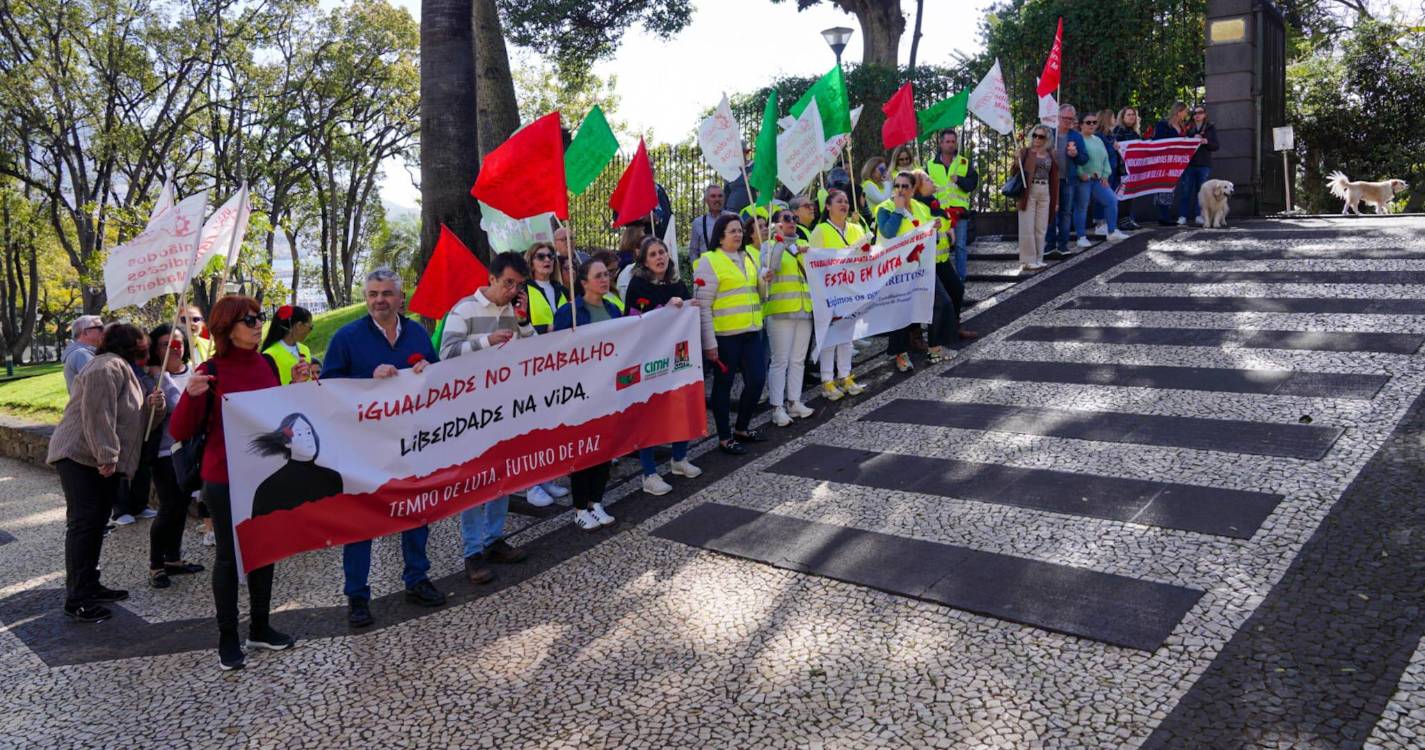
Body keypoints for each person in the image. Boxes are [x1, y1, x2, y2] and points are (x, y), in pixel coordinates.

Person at [169, 296, 297, 669]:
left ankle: (260, 627)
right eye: (249, 319)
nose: (258, 324)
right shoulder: (210, 370)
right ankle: (228, 638)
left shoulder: (267, 364)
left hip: (265, 472)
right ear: (226, 327)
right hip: (223, 477)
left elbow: (276, 417)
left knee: (264, 550)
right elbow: (179, 429)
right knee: (228, 557)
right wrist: (191, 396)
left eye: (260, 317)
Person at [322, 268, 445, 629]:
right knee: (361, 521)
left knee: (415, 511)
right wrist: (367, 381)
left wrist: (427, 368)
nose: (380, 300)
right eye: (373, 293)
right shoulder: (346, 337)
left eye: (387, 293)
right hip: (364, 445)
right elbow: (328, 386)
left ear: (400, 297)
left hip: (410, 441)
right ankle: (357, 595)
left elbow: (438, 378)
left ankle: (417, 579)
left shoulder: (417, 332)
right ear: (365, 297)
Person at [47, 323, 165, 623]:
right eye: (141, 338)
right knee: (85, 525)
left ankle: (89, 585)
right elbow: (97, 414)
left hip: (94, 459)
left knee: (94, 524)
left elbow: (134, 426)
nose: (146, 342)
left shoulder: (122, 368)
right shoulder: (105, 366)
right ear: (128, 342)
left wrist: (155, 408)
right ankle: (78, 598)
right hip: (82, 458)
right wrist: (108, 455)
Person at [439, 254, 536, 584]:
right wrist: (485, 342)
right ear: (492, 278)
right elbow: (446, 353)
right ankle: (472, 551)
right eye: (508, 283)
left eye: (519, 285)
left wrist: (522, 321)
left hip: (503, 406)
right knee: (473, 480)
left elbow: (533, 350)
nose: (513, 290)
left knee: (501, 473)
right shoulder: (464, 309)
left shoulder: (511, 311)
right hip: (469, 410)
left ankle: (494, 539)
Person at [625, 236, 704, 494]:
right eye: (653, 254)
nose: (659, 257)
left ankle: (679, 459)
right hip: (649, 360)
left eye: (662, 252)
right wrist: (665, 310)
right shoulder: (637, 286)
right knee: (651, 414)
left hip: (676, 359)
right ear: (644, 261)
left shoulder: (676, 283)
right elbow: (634, 322)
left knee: (680, 405)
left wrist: (691, 306)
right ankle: (649, 474)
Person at [553, 259, 623, 530]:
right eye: (598, 276)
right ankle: (580, 507)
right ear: (583, 283)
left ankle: (596, 501)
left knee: (605, 447)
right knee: (584, 450)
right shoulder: (569, 312)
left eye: (606, 275)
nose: (605, 280)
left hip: (608, 388)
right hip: (580, 392)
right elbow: (556, 352)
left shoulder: (613, 309)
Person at [694, 214, 767, 456]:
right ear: (720, 236)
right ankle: (725, 437)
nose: (737, 235)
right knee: (723, 388)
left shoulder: (748, 257)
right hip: (725, 337)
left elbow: (760, 294)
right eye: (731, 231)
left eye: (739, 230)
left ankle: (742, 427)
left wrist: (765, 280)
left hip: (752, 332)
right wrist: (709, 343)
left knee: (757, 380)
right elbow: (703, 307)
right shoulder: (709, 261)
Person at [145, 325, 205, 590]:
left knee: (181, 506)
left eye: (179, 341)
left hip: (193, 450)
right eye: (166, 343)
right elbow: (177, 405)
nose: (175, 347)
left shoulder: (195, 372)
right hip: (166, 452)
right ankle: (156, 564)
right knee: (169, 507)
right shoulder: (153, 379)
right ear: (155, 349)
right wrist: (161, 377)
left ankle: (174, 559)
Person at [912, 171, 976, 363]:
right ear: (918, 186)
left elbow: (945, 221)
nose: (932, 181)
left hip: (941, 258)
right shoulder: (918, 205)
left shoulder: (934, 202)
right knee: (939, 301)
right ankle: (923, 339)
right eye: (928, 179)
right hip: (926, 261)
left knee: (957, 290)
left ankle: (953, 328)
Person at [809, 190, 869, 397]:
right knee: (829, 336)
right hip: (829, 291)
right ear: (828, 207)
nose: (843, 204)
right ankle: (827, 380)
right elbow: (815, 262)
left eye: (846, 201)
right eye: (838, 201)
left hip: (851, 291)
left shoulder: (855, 228)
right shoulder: (821, 230)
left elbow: (865, 257)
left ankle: (845, 376)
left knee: (846, 337)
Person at [761, 209, 817, 425]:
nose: (792, 222)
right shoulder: (769, 246)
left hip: (803, 310)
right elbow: (772, 267)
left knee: (798, 360)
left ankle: (794, 402)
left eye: (794, 218)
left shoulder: (802, 244)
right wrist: (780, 241)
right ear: (776, 224)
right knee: (780, 361)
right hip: (780, 311)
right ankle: (777, 407)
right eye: (786, 219)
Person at [877, 172, 933, 373]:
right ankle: (899, 353)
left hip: (917, 267)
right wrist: (898, 211)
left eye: (904, 186)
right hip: (894, 270)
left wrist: (935, 226)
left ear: (912, 189)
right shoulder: (885, 208)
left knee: (913, 309)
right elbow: (888, 233)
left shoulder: (919, 207)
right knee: (899, 311)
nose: (900, 190)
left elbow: (925, 229)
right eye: (897, 186)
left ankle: (920, 344)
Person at [924, 129, 978, 281]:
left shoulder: (964, 162)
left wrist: (959, 179)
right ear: (940, 143)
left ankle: (961, 277)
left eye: (953, 141)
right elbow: (924, 187)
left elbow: (972, 184)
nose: (950, 144)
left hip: (960, 212)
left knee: (960, 245)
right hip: (939, 212)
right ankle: (943, 278)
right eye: (947, 141)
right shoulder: (930, 165)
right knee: (941, 245)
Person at [1070, 111, 1130, 247]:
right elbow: (1074, 159)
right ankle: (1081, 237)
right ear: (1080, 125)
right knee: (1081, 207)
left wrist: (1105, 175)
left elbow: (1105, 158)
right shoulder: (1077, 139)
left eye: (1094, 122)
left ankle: (1112, 231)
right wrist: (1081, 173)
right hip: (1083, 179)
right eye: (1088, 122)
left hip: (1098, 179)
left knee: (1111, 200)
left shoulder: (1098, 139)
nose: (1092, 125)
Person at [1045, 104, 1088, 259]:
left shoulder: (1076, 136)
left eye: (1071, 119)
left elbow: (1084, 159)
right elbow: (1037, 153)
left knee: (1066, 213)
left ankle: (1063, 245)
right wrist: (1050, 154)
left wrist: (1076, 155)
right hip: (1051, 180)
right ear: (1058, 117)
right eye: (1065, 118)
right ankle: (1049, 244)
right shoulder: (1049, 134)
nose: (1068, 121)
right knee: (1050, 213)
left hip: (1068, 180)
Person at [1016, 124, 1059, 273]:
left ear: (1047, 139)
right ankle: (1028, 260)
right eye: (1035, 135)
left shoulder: (1051, 154)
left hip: (1045, 190)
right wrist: (1017, 160)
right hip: (1029, 190)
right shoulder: (1025, 152)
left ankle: (1039, 258)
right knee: (1027, 226)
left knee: (1041, 227)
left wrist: (1056, 200)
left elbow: (1055, 178)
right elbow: (1014, 173)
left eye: (1041, 136)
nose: (1037, 139)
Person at [1180, 104, 1219, 225]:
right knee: (1186, 191)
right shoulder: (1187, 127)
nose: (1197, 115)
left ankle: (1199, 215)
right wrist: (1192, 137)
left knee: (1201, 192)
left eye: (1200, 112)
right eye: (1195, 113)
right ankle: (1182, 216)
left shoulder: (1210, 127)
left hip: (1203, 164)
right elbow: (1181, 142)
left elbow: (1216, 146)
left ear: (1205, 114)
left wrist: (1206, 141)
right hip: (1189, 164)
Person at [1153, 101, 1190, 226]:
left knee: (1171, 189)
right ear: (1179, 111)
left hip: (1177, 162)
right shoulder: (1163, 124)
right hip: (1165, 161)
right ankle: (1163, 216)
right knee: (1164, 188)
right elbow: (1158, 141)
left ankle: (1165, 215)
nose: (1186, 114)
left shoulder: (1182, 126)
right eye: (1185, 111)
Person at [260, 305, 315, 385]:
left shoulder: (305, 349)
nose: (310, 331)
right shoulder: (269, 355)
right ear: (299, 326)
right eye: (310, 327)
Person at [523, 242, 570, 335]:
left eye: (550, 256)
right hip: (539, 346)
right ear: (531, 264)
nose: (547, 259)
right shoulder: (523, 290)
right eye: (541, 257)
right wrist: (546, 328)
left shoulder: (562, 290)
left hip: (565, 345)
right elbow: (520, 326)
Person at [1090, 109, 1121, 236]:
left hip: (1112, 170)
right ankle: (1099, 223)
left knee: (1110, 198)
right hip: (1103, 172)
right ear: (1107, 119)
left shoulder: (1111, 135)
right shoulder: (1099, 136)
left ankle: (1108, 224)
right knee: (1101, 198)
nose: (1115, 120)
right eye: (1113, 117)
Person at [1112, 107, 1144, 230]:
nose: (1131, 117)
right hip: (1121, 170)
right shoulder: (1118, 130)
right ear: (1123, 117)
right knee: (1122, 195)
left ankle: (1127, 219)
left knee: (1130, 195)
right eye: (1129, 115)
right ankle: (1121, 220)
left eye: (1133, 115)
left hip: (1132, 170)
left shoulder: (1135, 133)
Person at [62, 315, 104, 394]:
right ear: (85, 332)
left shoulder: (85, 352)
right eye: (100, 328)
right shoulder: (81, 354)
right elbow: (97, 386)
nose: (104, 332)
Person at [688, 184, 728, 265]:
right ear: (706, 200)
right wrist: (697, 270)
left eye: (720, 196)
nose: (717, 199)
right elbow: (693, 251)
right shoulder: (698, 223)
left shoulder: (734, 218)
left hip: (730, 270)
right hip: (708, 270)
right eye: (713, 196)